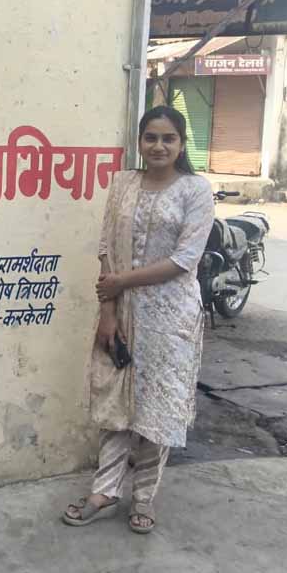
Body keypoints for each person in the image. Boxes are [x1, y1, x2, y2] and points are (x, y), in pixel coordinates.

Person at [62, 105, 214, 534]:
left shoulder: (196, 190)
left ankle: (144, 496)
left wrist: (121, 282)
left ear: (181, 144)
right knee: (115, 403)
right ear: (140, 141)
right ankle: (104, 491)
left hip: (170, 319)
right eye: (151, 137)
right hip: (123, 311)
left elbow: (185, 260)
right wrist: (108, 311)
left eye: (168, 138)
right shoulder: (123, 183)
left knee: (156, 410)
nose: (159, 146)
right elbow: (106, 248)